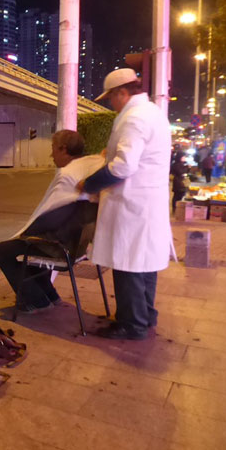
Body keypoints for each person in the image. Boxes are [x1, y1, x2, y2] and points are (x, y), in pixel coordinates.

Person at [78, 68, 174, 340]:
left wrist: (90, 183)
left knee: (128, 264)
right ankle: (145, 316)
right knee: (144, 263)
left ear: (122, 92)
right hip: (145, 202)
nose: (110, 103)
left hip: (132, 203)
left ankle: (132, 325)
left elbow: (124, 166)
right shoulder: (152, 112)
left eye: (111, 98)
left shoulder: (134, 117)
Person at [0, 130, 104, 313]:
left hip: (61, 245)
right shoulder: (89, 168)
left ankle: (36, 301)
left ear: (63, 149)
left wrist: (27, 233)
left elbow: (50, 217)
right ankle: (50, 295)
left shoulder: (67, 175)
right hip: (77, 244)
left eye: (53, 149)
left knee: (3, 250)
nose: (51, 154)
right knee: (29, 244)